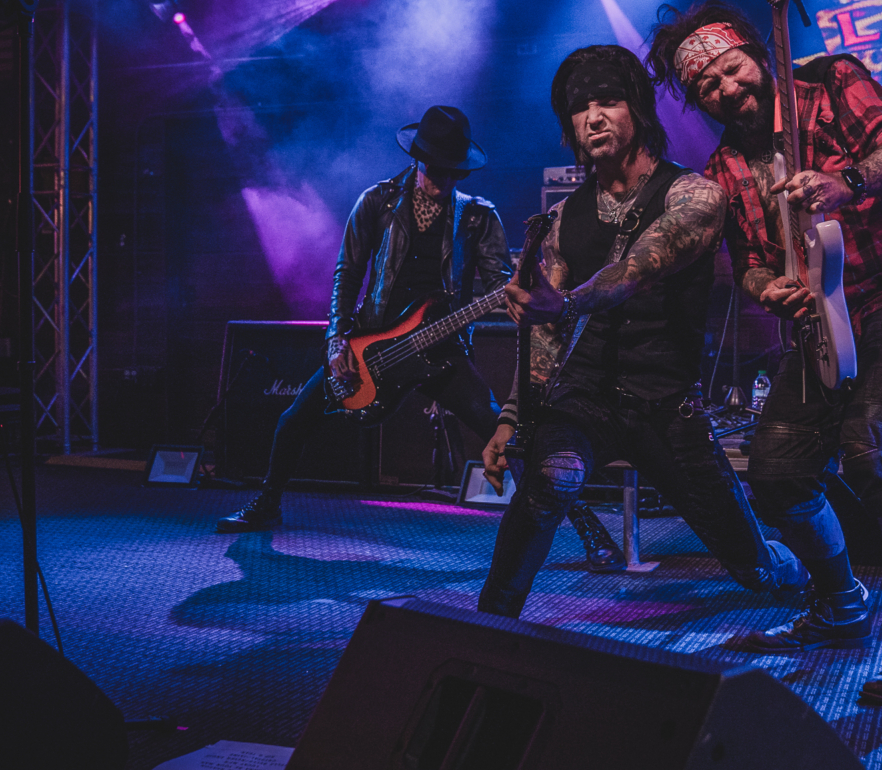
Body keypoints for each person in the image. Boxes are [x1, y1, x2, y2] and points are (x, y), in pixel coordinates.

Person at [647, 1, 882, 705]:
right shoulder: (723, 168)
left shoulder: (829, 83)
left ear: (754, 53)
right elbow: (750, 263)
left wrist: (845, 182)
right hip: (826, 321)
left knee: (877, 445)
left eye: (731, 68)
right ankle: (841, 602)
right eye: (706, 85)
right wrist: (769, 289)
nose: (726, 88)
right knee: (776, 471)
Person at [475, 44, 807, 618]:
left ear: (639, 110)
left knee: (752, 568)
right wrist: (511, 417)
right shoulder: (563, 218)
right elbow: (544, 337)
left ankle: (788, 567)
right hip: (583, 399)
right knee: (550, 482)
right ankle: (490, 624)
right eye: (580, 109)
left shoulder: (694, 195)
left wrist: (566, 303)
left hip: (667, 407)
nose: (593, 118)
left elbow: (636, 268)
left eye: (608, 101)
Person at [217, 106, 622, 569]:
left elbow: (499, 285)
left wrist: (529, 289)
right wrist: (336, 340)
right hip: (374, 347)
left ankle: (591, 530)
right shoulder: (376, 202)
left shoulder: (478, 216)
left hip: (441, 350)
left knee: (506, 433)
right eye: (435, 169)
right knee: (294, 420)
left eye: (452, 172)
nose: (441, 181)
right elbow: (347, 274)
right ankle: (267, 503)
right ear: (417, 159)